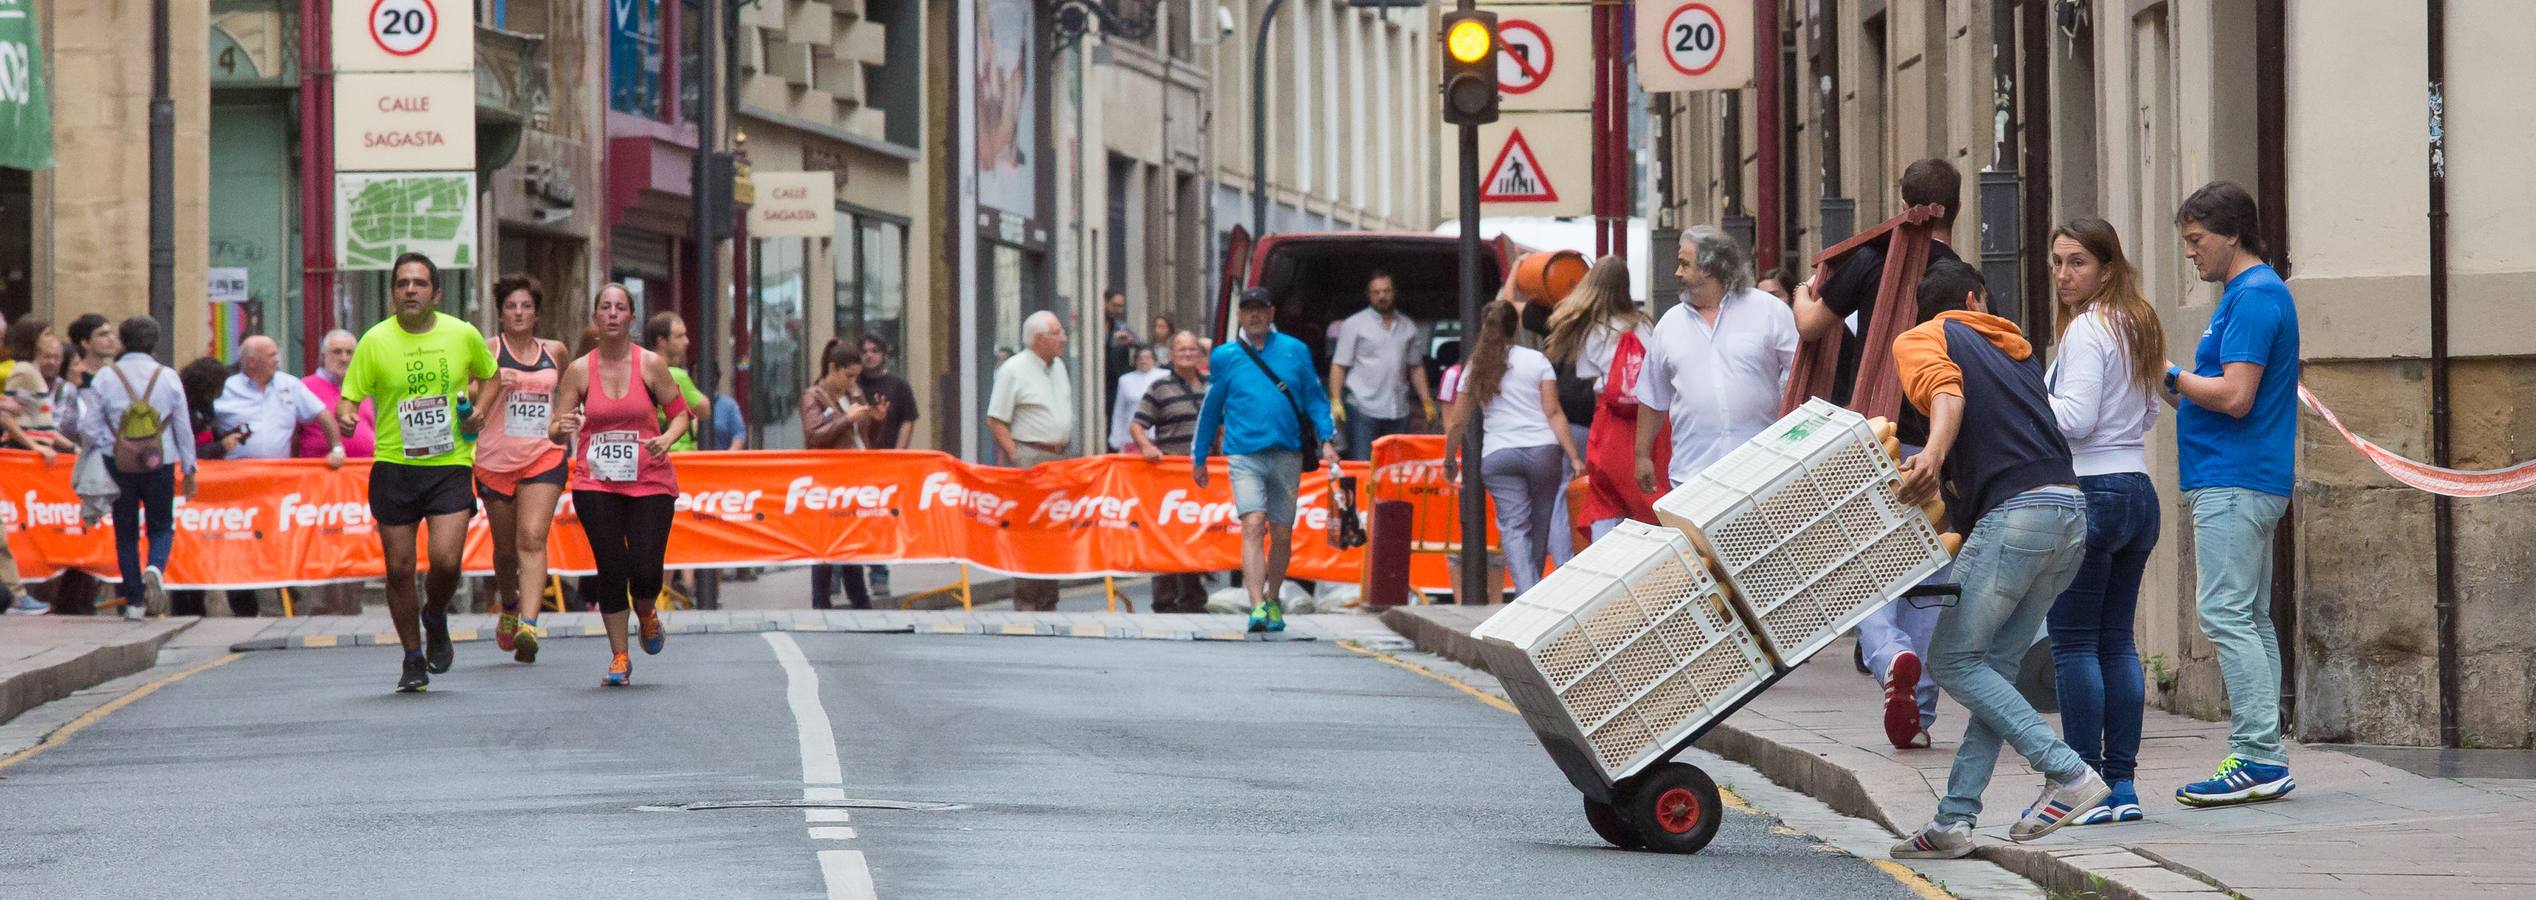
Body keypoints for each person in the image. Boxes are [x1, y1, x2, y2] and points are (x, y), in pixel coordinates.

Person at [1887, 259, 2106, 860]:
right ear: (1976, 298)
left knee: (1953, 660)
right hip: (2068, 513)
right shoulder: (2018, 353)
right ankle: (1954, 820)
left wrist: (1931, 454)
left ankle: (2068, 772)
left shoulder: (1923, 337)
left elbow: (1946, 394)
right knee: (1995, 672)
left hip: (2015, 519)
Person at [1795, 159, 1963, 749]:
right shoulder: (1963, 279)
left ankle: (1889, 655)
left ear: (1902, 200)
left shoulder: (1872, 261)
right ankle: (1919, 708)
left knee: (1863, 566)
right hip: (1939, 444)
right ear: (1958, 207)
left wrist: (1801, 293)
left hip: (1873, 435)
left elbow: (1812, 326)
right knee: (1930, 567)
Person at [2161, 181, 2300, 809]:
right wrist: (2165, 383)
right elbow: (2211, 391)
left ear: (2231, 235)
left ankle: (2254, 755)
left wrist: (2168, 375)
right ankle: (2265, 754)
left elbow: (2236, 395)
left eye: (2196, 240)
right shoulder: (2250, 295)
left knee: (2223, 613)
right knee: (2249, 616)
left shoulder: (2252, 298)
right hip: (2243, 476)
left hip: (2235, 479)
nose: (2191, 254)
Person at [2039, 218, 2165, 826]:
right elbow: (2148, 415)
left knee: (2072, 643)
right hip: (2138, 490)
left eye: (2079, 262)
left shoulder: (2088, 330)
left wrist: (2028, 402)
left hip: (2089, 488)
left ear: (2107, 268)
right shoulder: (2136, 322)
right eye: (2058, 262)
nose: (2065, 275)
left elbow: (2077, 419)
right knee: (2116, 639)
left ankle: (2084, 782)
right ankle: (2122, 785)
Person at [338, 252, 500, 692]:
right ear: (392, 293)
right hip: (394, 464)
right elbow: (349, 395)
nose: (411, 290)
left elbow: (492, 376)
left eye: (420, 283)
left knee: (446, 560)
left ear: (436, 293)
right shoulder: (374, 340)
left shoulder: (461, 334)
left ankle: (435, 613)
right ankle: (412, 656)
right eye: (402, 283)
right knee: (399, 567)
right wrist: (348, 416)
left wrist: (479, 413)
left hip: (449, 461)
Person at [550, 283, 694, 687]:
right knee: (611, 566)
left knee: (646, 568)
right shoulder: (579, 370)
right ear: (595, 318)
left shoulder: (651, 364)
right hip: (596, 482)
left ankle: (646, 612)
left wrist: (666, 438)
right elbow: (553, 430)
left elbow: (681, 413)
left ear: (631, 318)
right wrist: (561, 426)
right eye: (605, 308)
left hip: (649, 480)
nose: (612, 314)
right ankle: (619, 656)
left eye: (620, 308)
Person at [1192, 287, 1340, 632]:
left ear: (1272, 312)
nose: (1254, 315)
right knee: (1253, 523)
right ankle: (1256, 604)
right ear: (1240, 316)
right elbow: (1211, 409)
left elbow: (1315, 400)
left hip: (1287, 452)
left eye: (1261, 309)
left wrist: (1327, 439)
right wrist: (1199, 456)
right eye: (1247, 310)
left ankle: (1274, 598)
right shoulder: (1225, 356)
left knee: (1283, 532)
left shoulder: (1295, 351)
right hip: (1244, 454)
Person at [1632, 226, 1800, 493]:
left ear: (1708, 267)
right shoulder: (1669, 325)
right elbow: (1652, 396)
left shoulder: (1769, 311)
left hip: (1763, 473)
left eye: (1684, 264)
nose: (1677, 273)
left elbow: (1801, 377)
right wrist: (1642, 455)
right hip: (1692, 477)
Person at [1444, 300, 1587, 596]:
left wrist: (1449, 458)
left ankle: (1527, 593)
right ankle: (1532, 592)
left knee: (1514, 527)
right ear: (1516, 327)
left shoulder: (1476, 366)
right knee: (1540, 524)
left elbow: (1458, 420)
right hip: (1543, 451)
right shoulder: (1536, 361)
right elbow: (1553, 412)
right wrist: (1573, 457)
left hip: (1499, 455)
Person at [213, 334, 348, 617]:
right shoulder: (225, 388)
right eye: (272, 355)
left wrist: (336, 447)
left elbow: (323, 415)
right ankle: (244, 609)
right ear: (251, 361)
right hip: (235, 483)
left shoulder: (289, 385)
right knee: (239, 543)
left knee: (279, 541)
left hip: (278, 482)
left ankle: (287, 596)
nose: (278, 360)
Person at [476, 274, 572, 664]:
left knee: (532, 537)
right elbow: (464, 395)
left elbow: (565, 393)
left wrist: (567, 421)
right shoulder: (486, 350)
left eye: (526, 306)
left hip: (543, 455)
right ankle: (510, 605)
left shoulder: (556, 351)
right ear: (500, 313)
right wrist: (496, 382)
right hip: (494, 461)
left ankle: (529, 626)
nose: (519, 313)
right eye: (511, 306)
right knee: (504, 551)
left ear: (536, 313)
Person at [77, 317, 195, 621]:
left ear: (123, 341)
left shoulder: (106, 376)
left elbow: (89, 427)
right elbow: (182, 425)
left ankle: (133, 603)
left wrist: (98, 447)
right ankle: (155, 567)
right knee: (161, 525)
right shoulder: (167, 377)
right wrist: (190, 467)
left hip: (117, 460)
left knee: (125, 532)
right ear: (154, 342)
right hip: (161, 459)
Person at [1545, 257, 1665, 542]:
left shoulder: (1591, 329)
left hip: (1608, 423)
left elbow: (1589, 374)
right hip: (1647, 424)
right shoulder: (1644, 325)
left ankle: (1603, 562)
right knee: (1648, 498)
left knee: (1605, 498)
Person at [986, 310, 1076, 611]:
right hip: (1030, 455)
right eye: (1058, 332)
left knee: (1054, 531)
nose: (1064, 338)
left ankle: (1048, 600)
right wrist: (1016, 455)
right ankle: (1027, 602)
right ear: (1039, 339)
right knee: (1028, 531)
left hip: (1059, 457)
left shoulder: (1059, 366)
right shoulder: (1014, 369)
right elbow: (995, 419)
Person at [1131, 331, 1211, 613]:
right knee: (1166, 536)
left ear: (1200, 354)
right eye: (1181, 349)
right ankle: (1164, 599)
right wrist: (1147, 447)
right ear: (1172, 354)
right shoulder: (1159, 388)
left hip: (1204, 475)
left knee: (1197, 536)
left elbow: (1223, 425)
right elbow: (1137, 425)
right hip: (1170, 476)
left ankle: (1192, 597)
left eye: (1192, 349)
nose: (1187, 354)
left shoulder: (1211, 387)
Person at [802, 341, 884, 610]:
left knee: (851, 542)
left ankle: (860, 602)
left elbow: (863, 437)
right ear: (832, 369)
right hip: (828, 481)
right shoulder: (813, 396)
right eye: (848, 375)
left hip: (854, 478)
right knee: (826, 544)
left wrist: (875, 417)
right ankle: (821, 602)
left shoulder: (852, 395)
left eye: (855, 376)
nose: (852, 382)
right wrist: (847, 419)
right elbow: (814, 435)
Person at [1329, 270, 1436, 461]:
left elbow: (1415, 367)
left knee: (1395, 468)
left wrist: (1427, 401)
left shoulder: (1408, 326)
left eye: (1386, 291)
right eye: (1376, 292)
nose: (1382, 296)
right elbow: (1339, 365)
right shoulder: (1354, 324)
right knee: (1363, 464)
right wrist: (1335, 400)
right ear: (1368, 295)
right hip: (1362, 408)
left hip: (1398, 409)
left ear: (1394, 293)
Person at [297, 329, 375, 459]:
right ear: (323, 356)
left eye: (349, 353)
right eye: (337, 352)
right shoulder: (304, 387)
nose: (344, 358)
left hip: (363, 473)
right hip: (322, 473)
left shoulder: (362, 388)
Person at [643, 312, 712, 453]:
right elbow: (705, 409)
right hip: (678, 454)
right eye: (679, 336)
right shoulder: (675, 375)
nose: (686, 341)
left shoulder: (642, 371)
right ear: (661, 341)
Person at [857, 336, 919, 450]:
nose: (868, 355)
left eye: (875, 351)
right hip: (857, 456)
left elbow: (907, 421)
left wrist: (898, 453)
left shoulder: (900, 386)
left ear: (884, 355)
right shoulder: (852, 384)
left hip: (889, 455)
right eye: (864, 352)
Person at [1107, 345, 1164, 452]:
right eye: (1140, 358)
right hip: (1131, 436)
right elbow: (1119, 411)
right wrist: (1115, 438)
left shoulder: (1164, 376)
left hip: (1157, 435)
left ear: (1154, 360)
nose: (1143, 361)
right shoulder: (1125, 380)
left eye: (1147, 358)